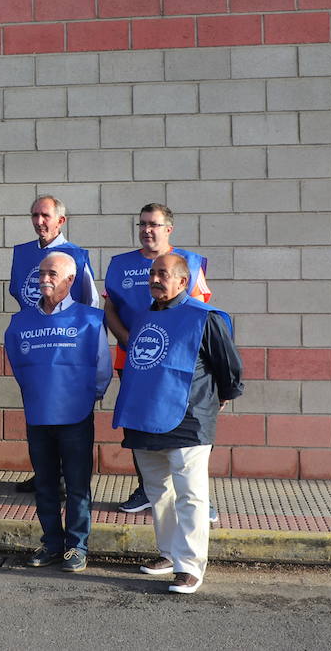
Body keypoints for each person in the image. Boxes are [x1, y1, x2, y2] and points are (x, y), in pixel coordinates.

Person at [113, 253, 242, 594]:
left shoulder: (205, 318)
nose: (155, 279)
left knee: (191, 495)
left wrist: (221, 397)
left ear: (184, 281)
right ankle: (170, 555)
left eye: (163, 274)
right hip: (144, 419)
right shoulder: (142, 317)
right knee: (160, 493)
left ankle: (190, 567)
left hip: (189, 420)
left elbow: (229, 368)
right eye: (152, 273)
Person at [3, 252, 111, 574]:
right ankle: (51, 542)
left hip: (76, 416)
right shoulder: (20, 321)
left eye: (52, 274)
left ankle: (76, 547)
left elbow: (101, 368)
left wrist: (85, 398)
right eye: (41, 274)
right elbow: (19, 367)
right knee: (45, 484)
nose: (45, 279)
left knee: (77, 486)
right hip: (38, 414)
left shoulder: (90, 319)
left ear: (70, 280)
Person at [103, 203, 212, 516]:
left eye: (153, 224)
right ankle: (146, 489)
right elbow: (109, 309)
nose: (146, 230)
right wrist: (128, 341)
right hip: (133, 362)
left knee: (184, 429)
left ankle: (195, 495)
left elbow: (199, 314)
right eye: (142, 224)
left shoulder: (189, 263)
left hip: (176, 367)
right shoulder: (120, 264)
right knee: (139, 427)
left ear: (168, 229)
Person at [8, 195, 100, 494]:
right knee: (39, 417)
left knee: (69, 422)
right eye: (34, 215)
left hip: (67, 352)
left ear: (60, 220)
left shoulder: (76, 255)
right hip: (36, 348)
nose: (39, 221)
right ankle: (44, 475)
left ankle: (66, 482)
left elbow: (90, 303)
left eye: (45, 215)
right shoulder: (22, 254)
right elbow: (20, 299)